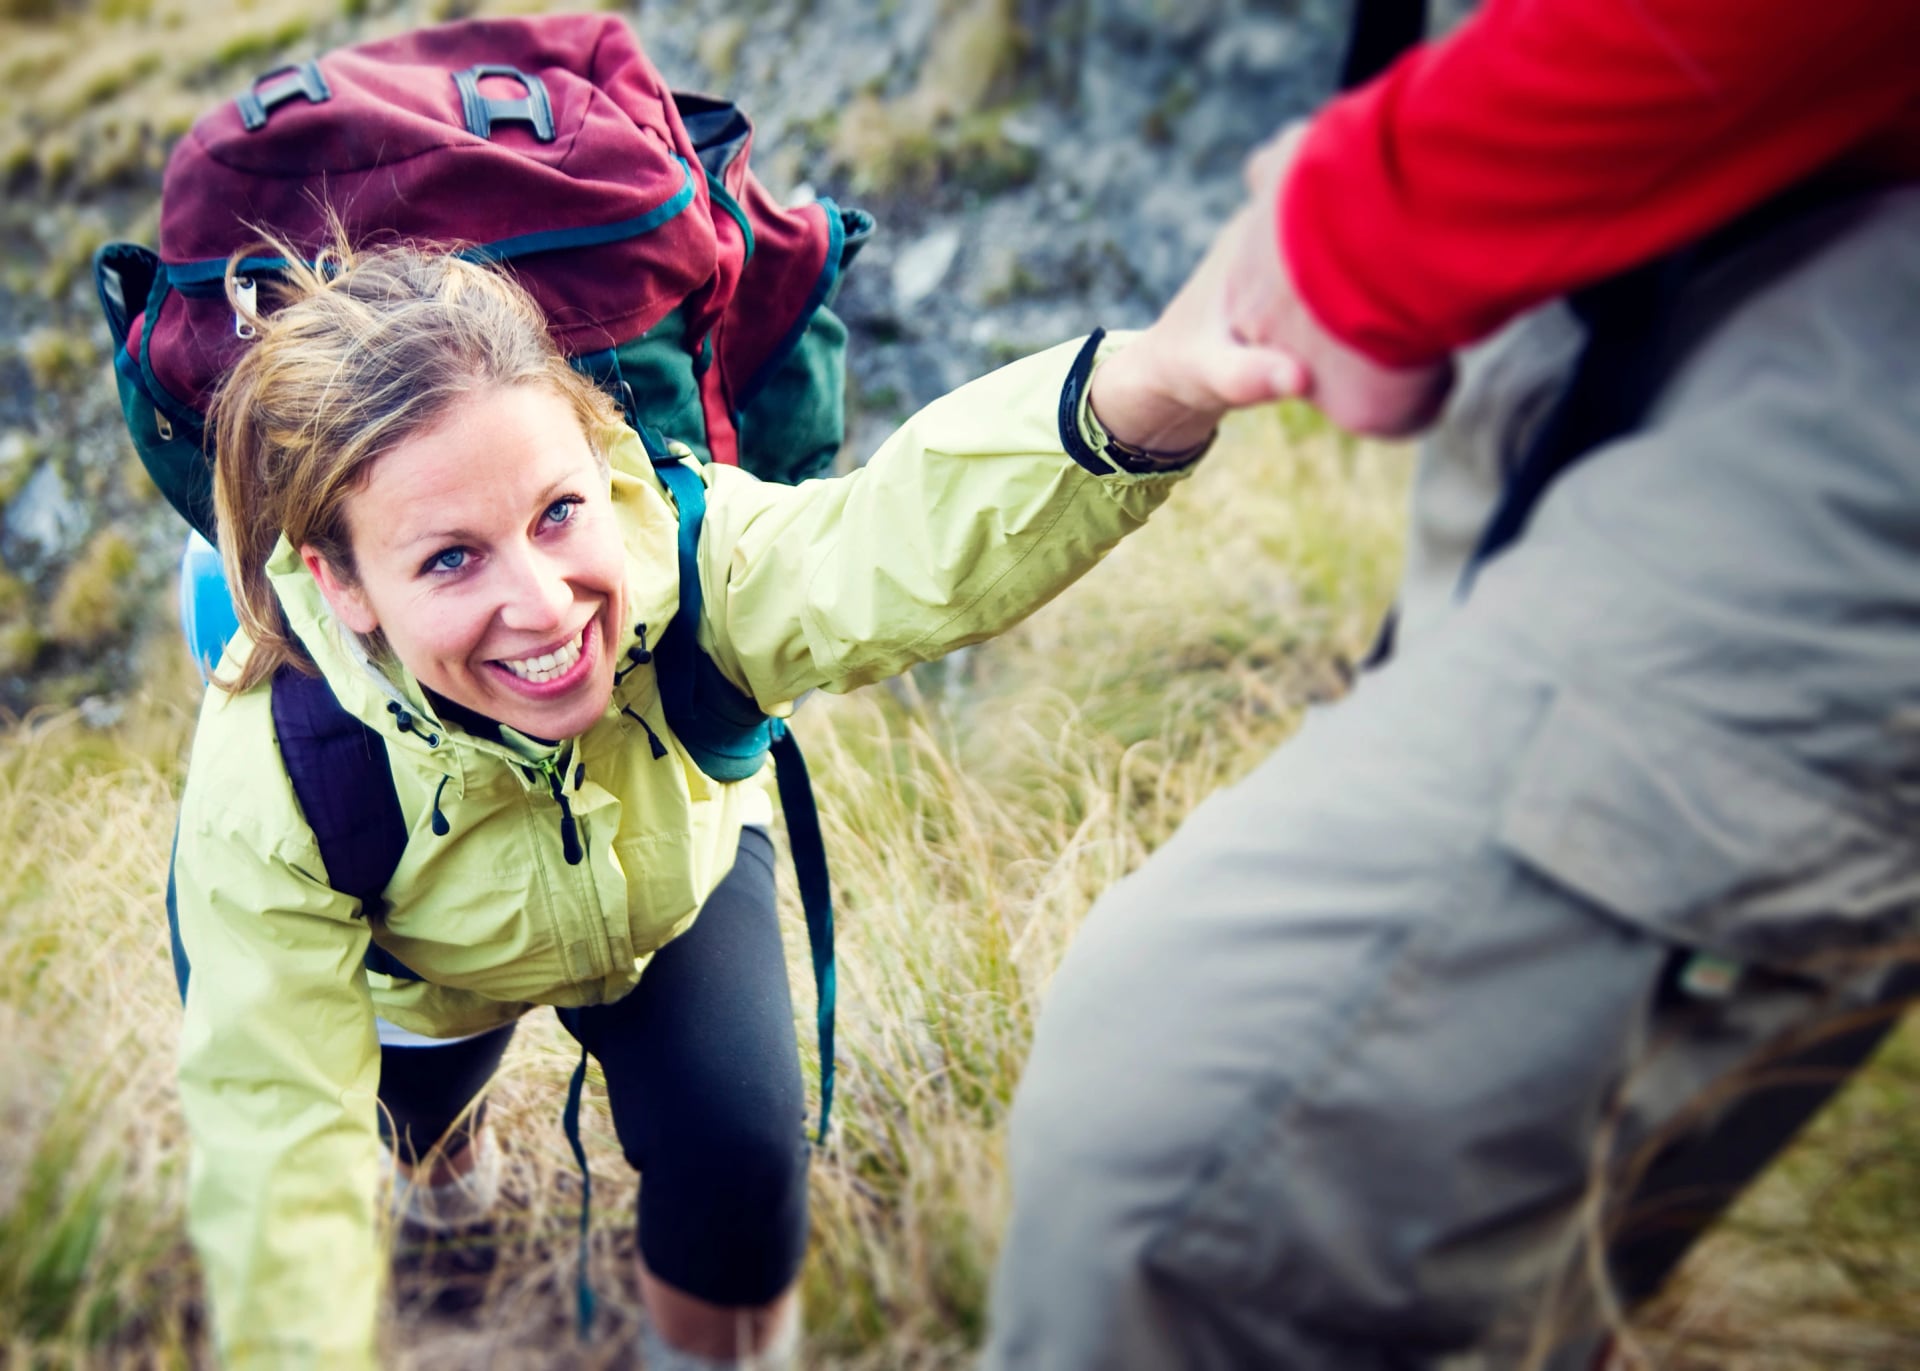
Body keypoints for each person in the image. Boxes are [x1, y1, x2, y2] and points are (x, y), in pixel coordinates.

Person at [168, 230, 1296, 1371]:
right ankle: (450, 1205)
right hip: (419, 965)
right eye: (451, 560)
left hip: (673, 883)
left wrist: (1149, 389)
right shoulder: (274, 777)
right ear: (342, 583)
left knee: (742, 1160)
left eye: (559, 512)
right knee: (418, 1123)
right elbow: (276, 1147)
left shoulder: (695, 554)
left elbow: (896, 541)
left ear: (600, 456)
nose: (548, 607)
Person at [985, 0, 1920, 1366]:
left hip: (1806, 254)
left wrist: (1368, 213)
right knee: (1447, 1222)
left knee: (1171, 1147)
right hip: (1605, 252)